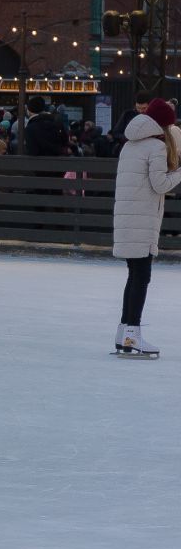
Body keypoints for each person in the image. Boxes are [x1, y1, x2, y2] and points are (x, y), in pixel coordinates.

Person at [111, 97, 181, 358]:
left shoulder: (130, 144)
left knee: (134, 276)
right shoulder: (156, 147)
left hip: (129, 218)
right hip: (142, 219)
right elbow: (160, 184)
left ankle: (124, 333)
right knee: (141, 278)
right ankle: (132, 335)